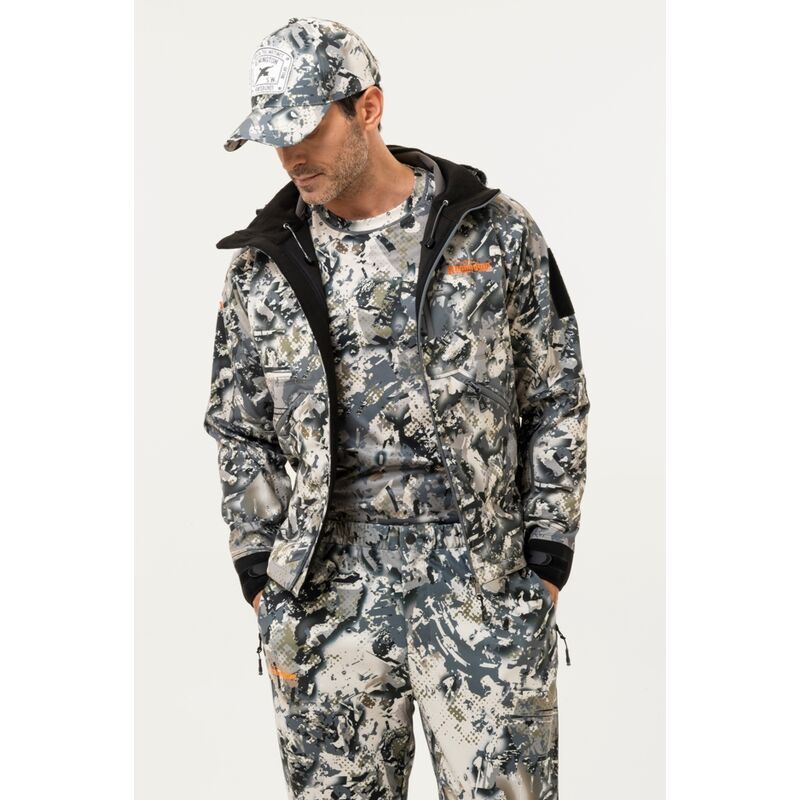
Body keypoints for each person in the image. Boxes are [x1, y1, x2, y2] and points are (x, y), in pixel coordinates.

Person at [203, 16, 590, 800]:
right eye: (275, 138)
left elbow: (557, 395)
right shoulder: (262, 267)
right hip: (324, 591)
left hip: (480, 579)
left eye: (306, 129)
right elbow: (239, 428)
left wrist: (546, 558)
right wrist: (262, 574)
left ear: (369, 108)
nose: (291, 155)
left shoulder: (495, 231)